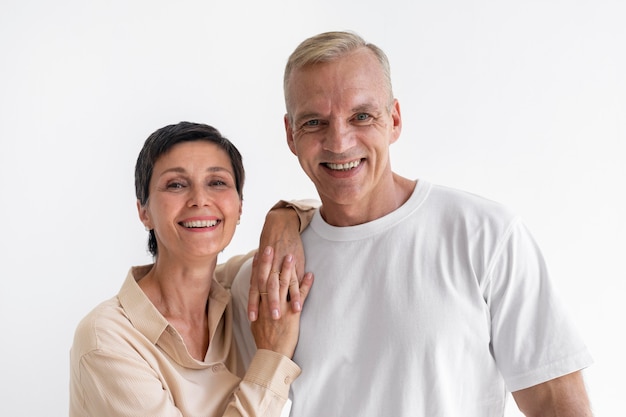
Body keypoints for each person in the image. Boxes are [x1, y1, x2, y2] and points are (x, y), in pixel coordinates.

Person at [232, 31, 594, 416]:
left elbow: (556, 402)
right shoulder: (269, 277)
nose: (339, 142)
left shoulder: (484, 235)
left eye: (361, 116)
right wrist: (282, 216)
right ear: (290, 134)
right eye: (314, 122)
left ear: (394, 120)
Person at [69, 121, 315, 417]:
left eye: (217, 182)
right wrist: (272, 358)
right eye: (176, 184)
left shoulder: (236, 285)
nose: (199, 199)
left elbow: (327, 214)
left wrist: (281, 218)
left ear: (239, 207)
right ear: (144, 211)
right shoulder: (106, 339)